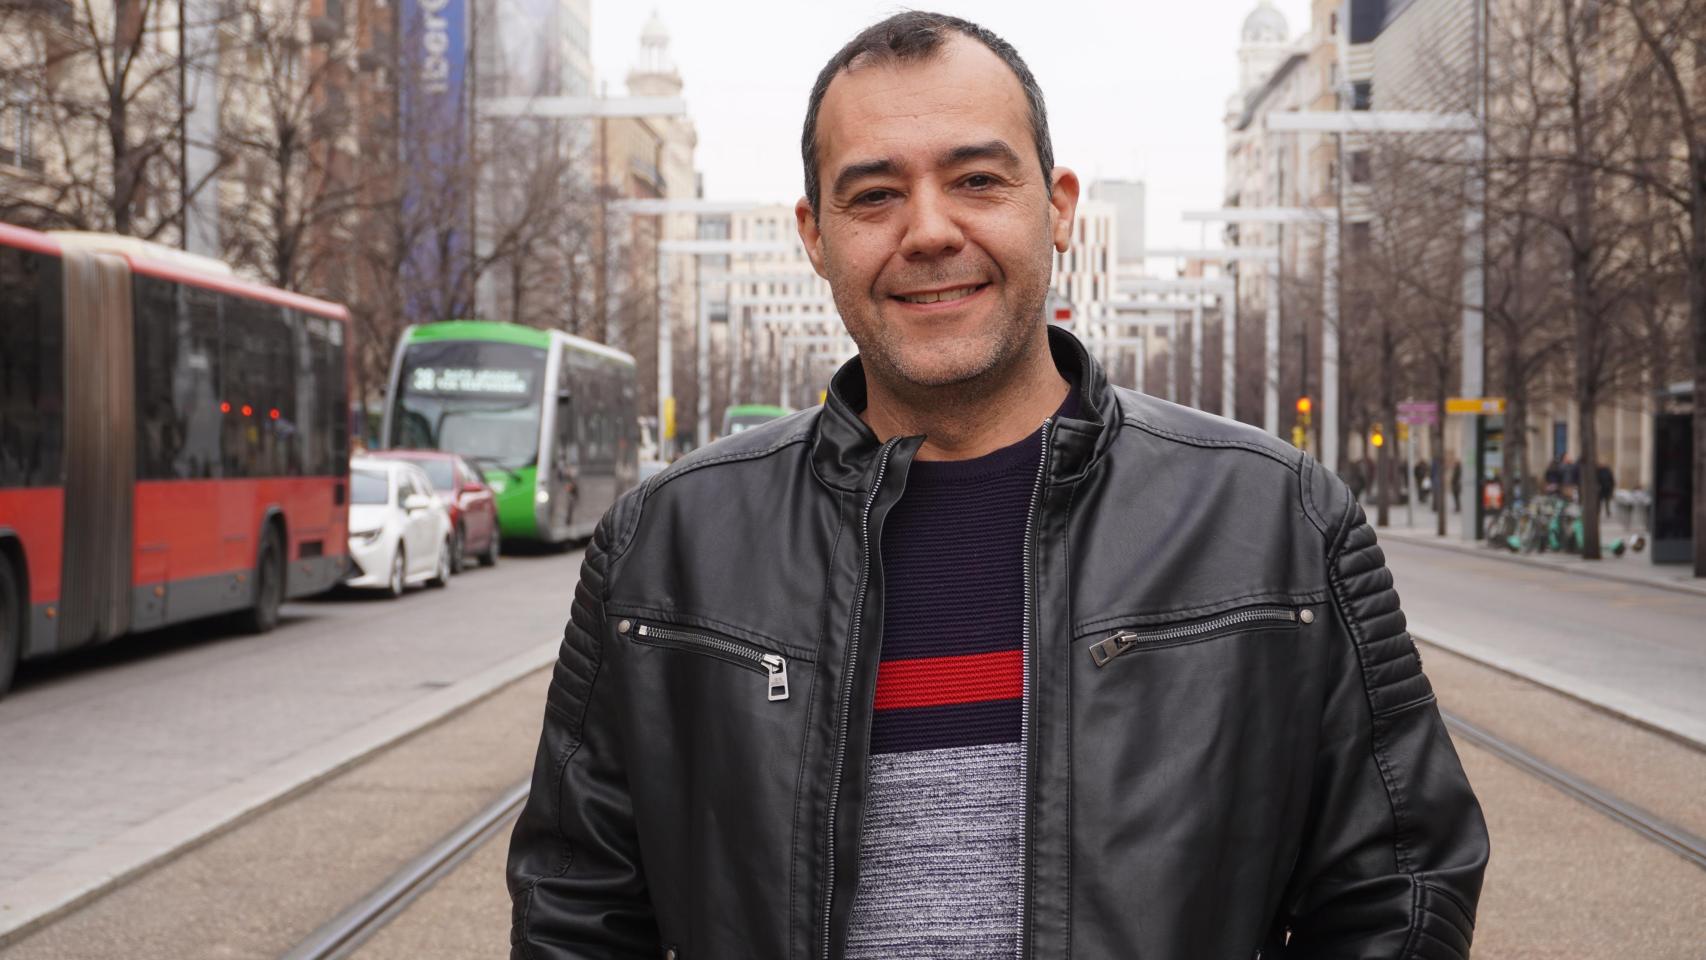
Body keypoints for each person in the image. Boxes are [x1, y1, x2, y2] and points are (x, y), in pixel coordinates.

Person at [505, 13, 1487, 959]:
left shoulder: (1276, 523)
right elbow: (575, 908)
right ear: (813, 235)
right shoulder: (666, 546)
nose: (928, 231)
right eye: (873, 195)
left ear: (1055, 207)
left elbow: (1396, 887)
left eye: (975, 179)